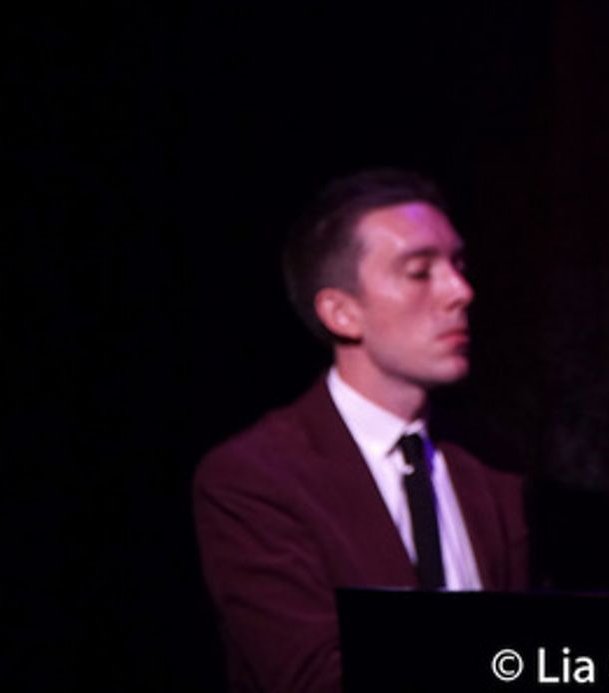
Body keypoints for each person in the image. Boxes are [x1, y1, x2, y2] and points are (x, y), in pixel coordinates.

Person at [193, 168, 529, 692]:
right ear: (341, 313)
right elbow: (314, 679)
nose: (461, 291)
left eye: (458, 265)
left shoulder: (490, 464)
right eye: (419, 272)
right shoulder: (255, 477)